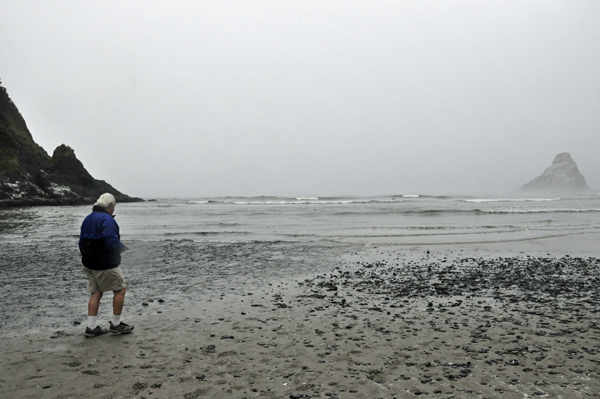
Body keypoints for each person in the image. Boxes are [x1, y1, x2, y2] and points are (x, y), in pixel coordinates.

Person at [79, 193, 134, 337]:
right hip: (104, 263)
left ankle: (91, 327)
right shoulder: (106, 219)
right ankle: (116, 325)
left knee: (96, 292)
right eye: (114, 206)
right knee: (120, 290)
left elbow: (81, 242)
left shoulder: (88, 218)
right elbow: (111, 242)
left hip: (88, 262)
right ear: (110, 206)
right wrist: (122, 247)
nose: (114, 209)